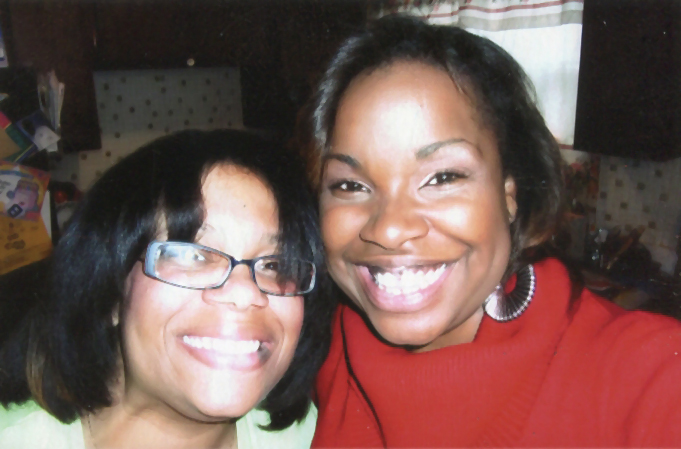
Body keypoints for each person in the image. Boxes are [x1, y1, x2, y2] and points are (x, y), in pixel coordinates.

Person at [309, 15, 681, 447]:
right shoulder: (323, 349)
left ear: (509, 194)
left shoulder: (651, 377)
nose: (390, 229)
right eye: (350, 186)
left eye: (443, 177)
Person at [0, 129, 333, 448]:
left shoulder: (319, 440)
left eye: (275, 265)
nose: (245, 293)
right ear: (111, 292)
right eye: (192, 255)